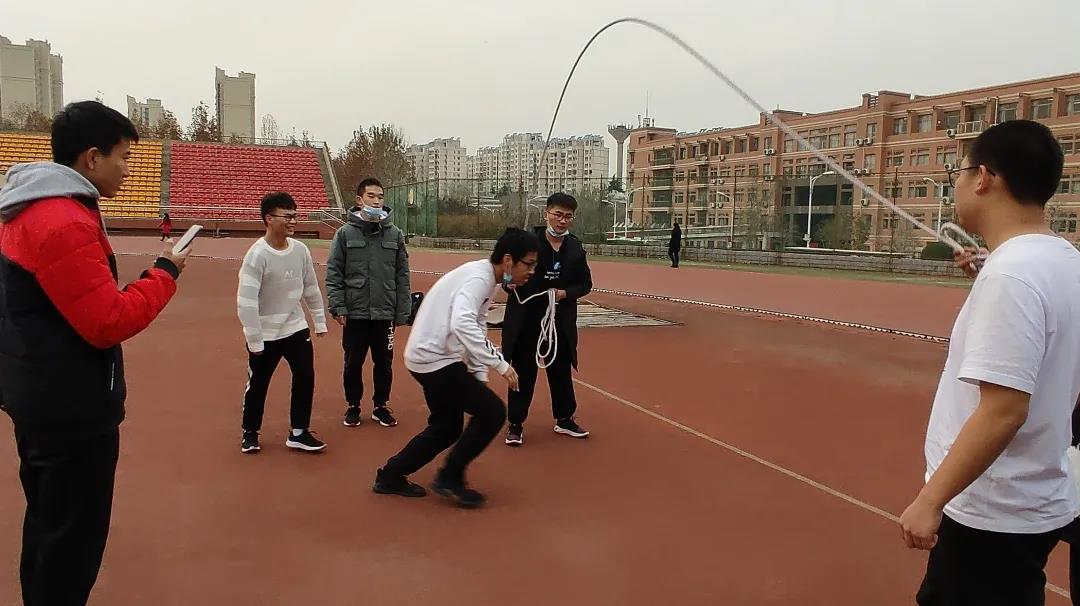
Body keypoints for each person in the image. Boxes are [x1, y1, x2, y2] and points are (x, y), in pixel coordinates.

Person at [0, 100, 189, 606]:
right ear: (91, 158)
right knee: (71, 543)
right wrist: (165, 273)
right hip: (70, 409)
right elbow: (107, 321)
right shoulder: (62, 220)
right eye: (122, 157)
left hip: (40, 395)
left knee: (48, 528)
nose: (127, 170)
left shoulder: (29, 209)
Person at [899, 120, 1080, 606]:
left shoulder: (1013, 276)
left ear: (983, 178)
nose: (955, 185)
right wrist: (992, 275)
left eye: (958, 173)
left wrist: (931, 500)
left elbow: (1004, 410)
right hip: (1027, 499)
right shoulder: (1063, 260)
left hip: (991, 509)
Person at [373, 228, 537, 507]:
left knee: (447, 427)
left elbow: (478, 323)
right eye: (529, 264)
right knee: (493, 412)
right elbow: (463, 322)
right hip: (433, 359)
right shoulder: (479, 278)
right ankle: (450, 477)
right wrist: (499, 364)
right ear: (509, 260)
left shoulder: (487, 279)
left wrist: (479, 372)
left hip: (432, 357)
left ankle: (390, 475)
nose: (531, 271)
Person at [237, 192, 328, 454]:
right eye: (287, 216)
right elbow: (246, 301)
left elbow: (310, 287)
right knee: (258, 383)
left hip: (295, 328)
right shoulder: (257, 255)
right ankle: (250, 432)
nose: (293, 221)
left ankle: (299, 432)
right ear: (269, 218)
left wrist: (319, 321)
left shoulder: (300, 250)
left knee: (305, 376)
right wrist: (254, 339)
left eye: (295, 216)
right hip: (265, 333)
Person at [501, 192, 593, 446]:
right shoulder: (527, 242)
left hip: (558, 320)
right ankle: (515, 423)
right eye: (558, 215)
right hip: (527, 319)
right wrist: (508, 283)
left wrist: (565, 293)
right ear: (546, 214)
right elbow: (507, 270)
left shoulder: (575, 248)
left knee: (560, 370)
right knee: (524, 371)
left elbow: (585, 283)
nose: (562, 221)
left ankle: (564, 419)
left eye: (568, 216)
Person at [325, 177, 411, 429]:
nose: (376, 201)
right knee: (353, 363)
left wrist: (403, 311)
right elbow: (334, 273)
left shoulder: (395, 234)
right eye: (371, 196)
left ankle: (380, 406)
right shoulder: (344, 234)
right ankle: (353, 405)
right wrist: (338, 306)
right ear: (359, 200)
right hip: (355, 313)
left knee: (384, 363)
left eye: (380, 197)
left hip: (384, 313)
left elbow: (402, 275)